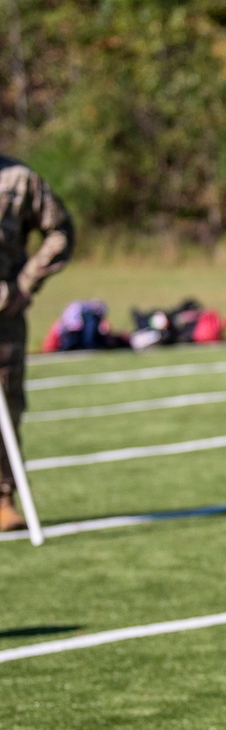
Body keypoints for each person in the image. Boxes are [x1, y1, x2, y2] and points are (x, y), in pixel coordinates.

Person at [0, 154, 74, 531]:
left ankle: (2, 496)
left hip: (3, 315)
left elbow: (60, 231)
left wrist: (26, 285)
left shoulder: (18, 180)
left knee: (6, 405)